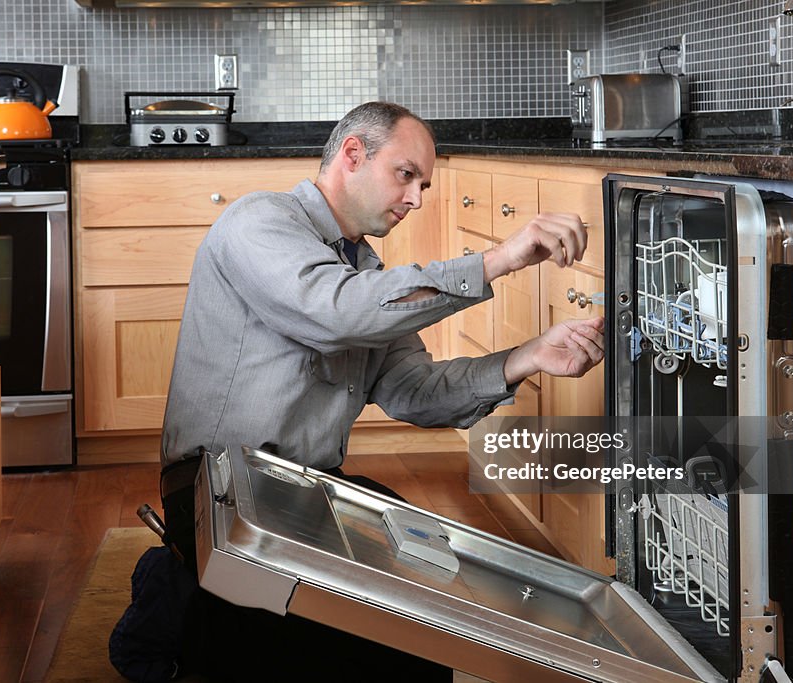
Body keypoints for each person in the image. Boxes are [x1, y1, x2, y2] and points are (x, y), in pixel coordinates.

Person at [157, 101, 604, 682]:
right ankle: (176, 604)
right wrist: (499, 259)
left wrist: (526, 358)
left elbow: (414, 392)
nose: (416, 197)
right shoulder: (259, 222)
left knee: (422, 612)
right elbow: (337, 312)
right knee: (353, 651)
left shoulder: (367, 275)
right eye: (406, 174)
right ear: (351, 154)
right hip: (218, 496)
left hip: (299, 491)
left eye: (424, 183)